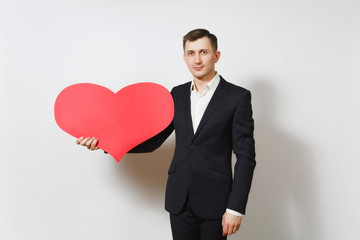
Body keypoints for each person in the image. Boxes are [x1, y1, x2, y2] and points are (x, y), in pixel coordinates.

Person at [76, 29, 256, 240]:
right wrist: (106, 143)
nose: (197, 59)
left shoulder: (237, 97)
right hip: (179, 199)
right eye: (191, 53)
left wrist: (235, 208)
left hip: (215, 201)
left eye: (203, 52)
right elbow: (154, 140)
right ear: (184, 58)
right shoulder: (176, 94)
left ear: (216, 55)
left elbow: (245, 157)